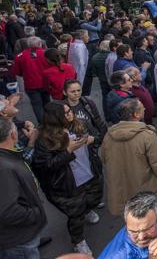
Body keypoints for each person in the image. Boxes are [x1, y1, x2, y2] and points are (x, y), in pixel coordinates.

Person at [32, 102, 103, 254]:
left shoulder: (79, 124)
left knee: (94, 199)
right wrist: (69, 150)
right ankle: (79, 241)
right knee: (76, 215)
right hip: (68, 184)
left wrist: (94, 140)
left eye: (70, 110)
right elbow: (45, 166)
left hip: (90, 174)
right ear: (55, 118)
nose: (70, 114)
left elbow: (97, 137)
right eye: (65, 113)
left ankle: (87, 210)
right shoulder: (45, 139)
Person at [101, 99, 157, 216]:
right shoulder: (147, 135)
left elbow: (103, 158)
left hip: (121, 190)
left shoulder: (109, 136)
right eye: (142, 108)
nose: (144, 109)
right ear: (136, 114)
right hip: (144, 189)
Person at [0, 118, 47, 259]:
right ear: (13, 135)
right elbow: (8, 211)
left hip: (21, 235)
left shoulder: (7, 157)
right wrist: (35, 213)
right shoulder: (4, 168)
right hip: (19, 241)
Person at [12, 36, 49, 124]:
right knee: (47, 103)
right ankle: (51, 121)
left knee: (37, 105)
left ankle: (43, 124)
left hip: (31, 85)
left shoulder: (19, 56)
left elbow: (17, 72)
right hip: (46, 83)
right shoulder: (46, 54)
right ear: (40, 44)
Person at [63, 80, 108, 144]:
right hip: (74, 142)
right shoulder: (62, 107)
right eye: (73, 91)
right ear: (65, 92)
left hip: (91, 139)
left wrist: (101, 137)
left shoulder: (88, 102)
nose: (76, 93)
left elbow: (98, 120)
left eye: (79, 90)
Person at [89, 40, 111, 107]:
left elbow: (94, 71)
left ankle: (106, 112)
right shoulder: (111, 56)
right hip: (111, 79)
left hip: (102, 79)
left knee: (104, 96)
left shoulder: (95, 57)